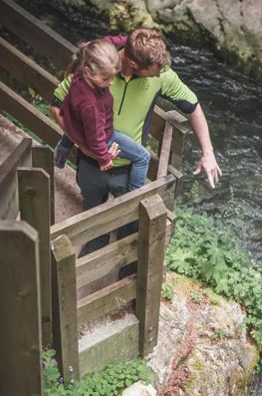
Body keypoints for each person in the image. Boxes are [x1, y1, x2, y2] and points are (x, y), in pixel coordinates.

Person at [51, 28, 221, 248]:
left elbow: (193, 106)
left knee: (131, 230)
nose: (159, 75)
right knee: (93, 225)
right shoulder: (98, 66)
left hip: (128, 170)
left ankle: (127, 273)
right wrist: (85, 148)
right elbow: (56, 107)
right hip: (91, 165)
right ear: (132, 64)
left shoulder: (161, 73)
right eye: (153, 72)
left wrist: (208, 152)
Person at [53, 38, 151, 192]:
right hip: (105, 136)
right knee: (143, 157)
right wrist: (104, 158)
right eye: (106, 78)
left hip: (75, 122)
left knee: (76, 123)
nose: (111, 83)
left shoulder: (80, 70)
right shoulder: (92, 106)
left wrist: (131, 41)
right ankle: (134, 194)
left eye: (113, 76)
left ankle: (61, 153)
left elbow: (103, 43)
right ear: (88, 71)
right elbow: (96, 136)